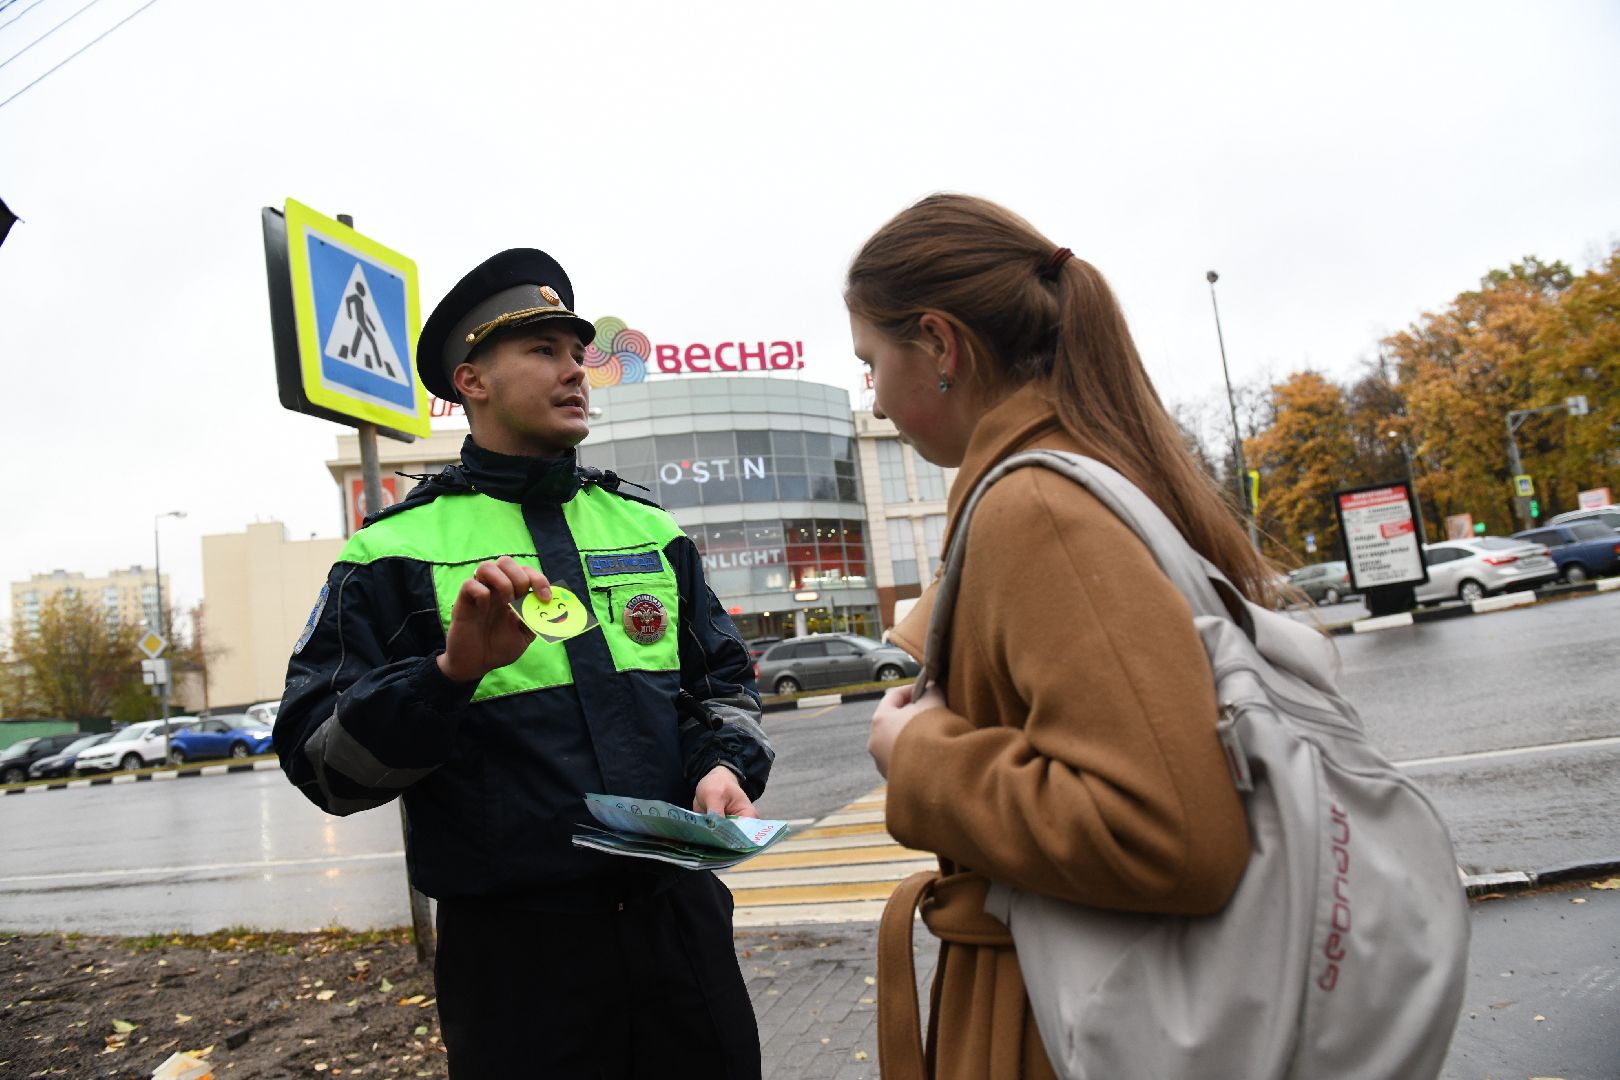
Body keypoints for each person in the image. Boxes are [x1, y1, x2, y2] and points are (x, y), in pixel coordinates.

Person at [274, 248, 773, 1079]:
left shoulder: (649, 531)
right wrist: (448, 676)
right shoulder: (389, 553)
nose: (576, 371)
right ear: (471, 381)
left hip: (678, 930)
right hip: (519, 966)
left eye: (577, 352)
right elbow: (323, 767)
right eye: (544, 351)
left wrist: (724, 765)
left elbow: (723, 687)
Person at [847, 196, 1264, 1079]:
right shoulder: (1079, 470)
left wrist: (917, 752)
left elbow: (1167, 831)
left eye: (872, 363)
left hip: (1059, 1019)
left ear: (940, 344)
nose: (874, 400)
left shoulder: (1035, 508)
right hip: (1074, 990)